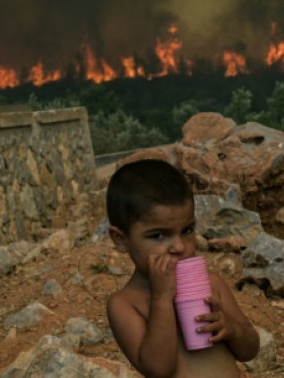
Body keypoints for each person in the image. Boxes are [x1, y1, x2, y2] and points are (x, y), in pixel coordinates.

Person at [105, 159, 260, 378]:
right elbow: (159, 370)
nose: (179, 246)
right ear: (121, 240)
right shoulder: (125, 305)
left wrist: (231, 328)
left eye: (187, 230)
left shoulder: (211, 284)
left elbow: (250, 349)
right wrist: (161, 298)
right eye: (158, 235)